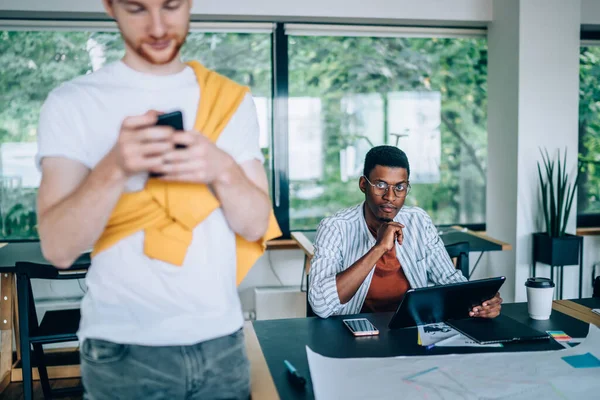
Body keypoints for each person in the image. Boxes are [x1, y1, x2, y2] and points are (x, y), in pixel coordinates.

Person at [36, 0, 280, 398]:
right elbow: (59, 248)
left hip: (222, 343)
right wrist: (115, 166)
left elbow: (255, 225)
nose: (157, 26)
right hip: (123, 351)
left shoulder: (231, 102)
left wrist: (221, 167)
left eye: (170, 6)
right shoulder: (72, 103)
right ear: (110, 6)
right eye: (136, 9)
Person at [308, 145, 501, 319]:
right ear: (363, 185)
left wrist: (480, 301)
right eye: (381, 185)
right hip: (356, 332)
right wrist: (379, 248)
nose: (390, 197)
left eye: (399, 187)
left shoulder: (418, 220)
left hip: (412, 329)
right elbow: (320, 305)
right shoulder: (335, 227)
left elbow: (449, 279)